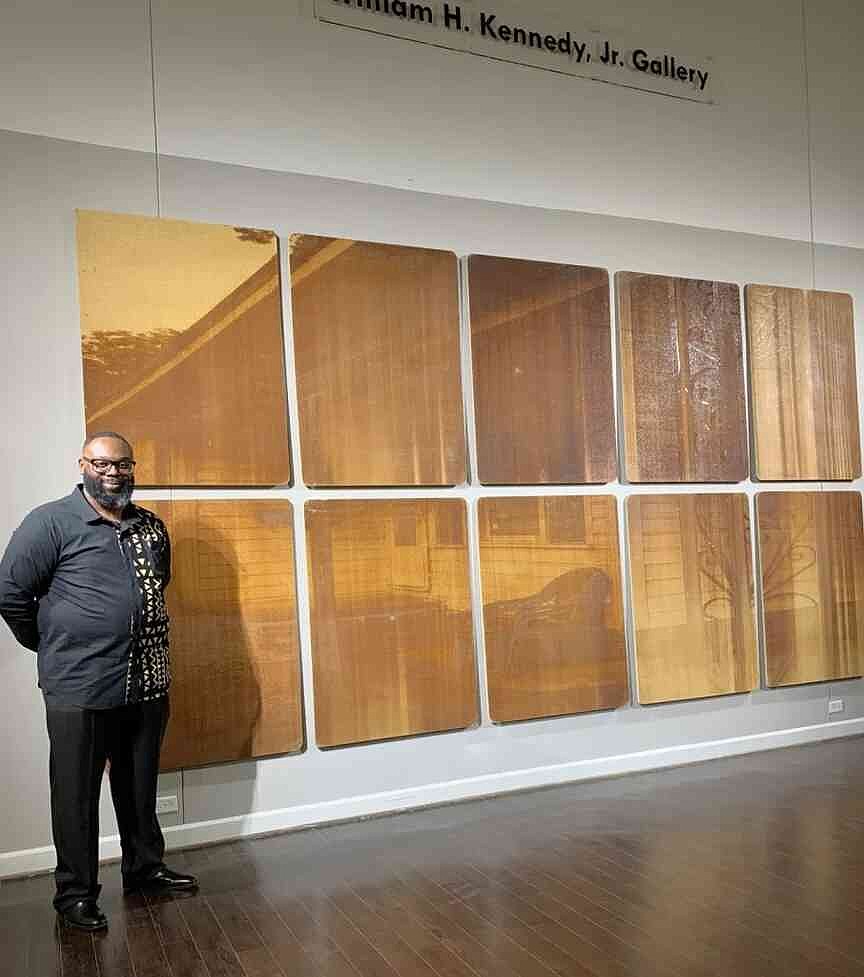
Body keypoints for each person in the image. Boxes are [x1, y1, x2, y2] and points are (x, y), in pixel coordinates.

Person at [0, 432, 197, 931]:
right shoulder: (50, 523)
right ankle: (75, 894)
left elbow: (157, 584)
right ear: (83, 465)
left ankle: (144, 869)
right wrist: (52, 643)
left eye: (123, 464)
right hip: (79, 687)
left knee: (139, 787)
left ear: (133, 468)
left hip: (146, 681)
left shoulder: (150, 526)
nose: (113, 472)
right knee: (76, 796)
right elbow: (10, 592)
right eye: (102, 463)